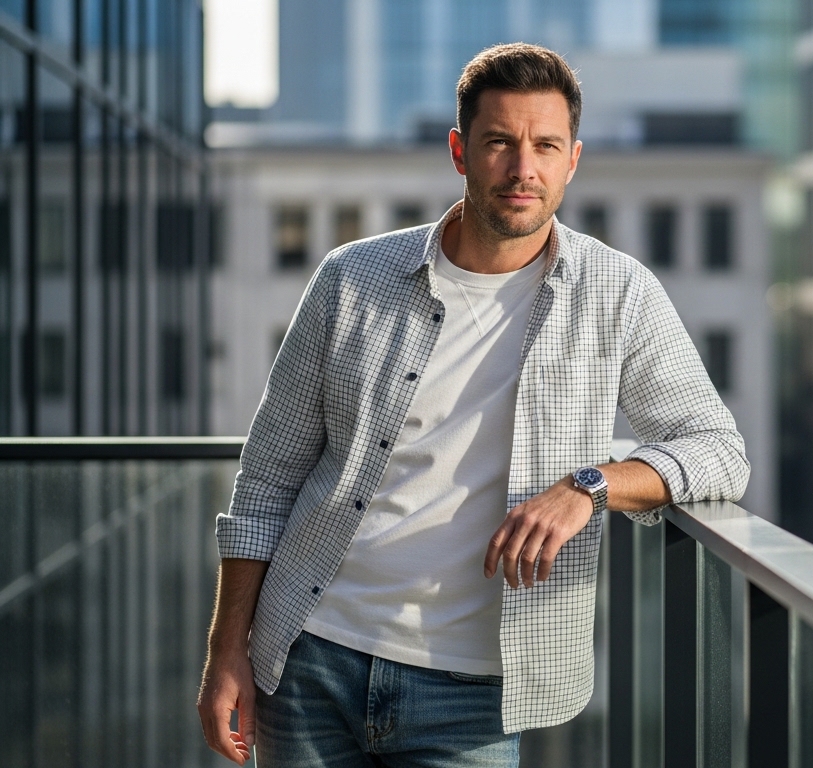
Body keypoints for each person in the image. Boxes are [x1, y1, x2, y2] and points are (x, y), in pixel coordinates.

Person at [196, 43, 748, 767]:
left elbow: (717, 447)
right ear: (460, 150)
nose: (524, 169)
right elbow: (267, 479)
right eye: (500, 143)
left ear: (573, 159)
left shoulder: (619, 294)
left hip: (472, 692)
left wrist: (591, 486)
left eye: (546, 146)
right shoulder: (351, 280)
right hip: (308, 657)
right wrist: (225, 651)